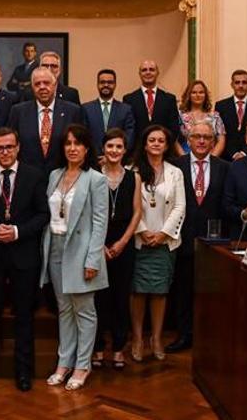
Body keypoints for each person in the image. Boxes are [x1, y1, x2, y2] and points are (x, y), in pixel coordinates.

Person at [0, 127, 49, 392]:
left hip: (23, 255)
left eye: (9, 147)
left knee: (24, 316)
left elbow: (42, 215)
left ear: (17, 148)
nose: (4, 152)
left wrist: (16, 231)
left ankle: (23, 372)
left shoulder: (34, 176)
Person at [41, 124, 109, 391]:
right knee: (64, 309)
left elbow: (100, 221)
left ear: (87, 148)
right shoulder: (55, 175)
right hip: (55, 248)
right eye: (68, 143)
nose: (72, 148)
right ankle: (64, 363)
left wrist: (93, 259)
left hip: (81, 252)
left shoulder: (96, 178)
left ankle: (82, 366)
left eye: (77, 143)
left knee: (85, 312)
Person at [166, 121, 229, 353]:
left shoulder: (225, 167)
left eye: (206, 137)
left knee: (212, 292)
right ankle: (184, 335)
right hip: (182, 238)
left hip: (214, 242)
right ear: (188, 140)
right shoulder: (174, 166)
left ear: (213, 141)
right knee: (183, 290)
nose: (201, 141)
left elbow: (227, 204)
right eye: (196, 137)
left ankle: (209, 336)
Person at [129, 125, 185, 362]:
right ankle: (138, 338)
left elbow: (180, 206)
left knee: (160, 292)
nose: (156, 144)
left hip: (165, 241)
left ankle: (157, 338)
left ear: (166, 145)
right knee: (138, 291)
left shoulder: (175, 172)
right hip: (139, 239)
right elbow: (129, 207)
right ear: (144, 143)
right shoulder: (132, 170)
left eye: (161, 140)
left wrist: (162, 233)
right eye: (151, 139)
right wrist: (141, 231)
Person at [92, 129, 141, 370]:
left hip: (124, 243)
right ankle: (99, 347)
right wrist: (99, 245)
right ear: (103, 148)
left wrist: (122, 242)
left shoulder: (134, 177)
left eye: (118, 147)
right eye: (109, 146)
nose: (114, 151)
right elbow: (89, 213)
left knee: (121, 297)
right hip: (97, 243)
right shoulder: (92, 176)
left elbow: (137, 213)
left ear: (124, 150)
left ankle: (119, 348)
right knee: (99, 298)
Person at [8, 67, 84, 172]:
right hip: (29, 178)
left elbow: (81, 145)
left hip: (63, 177)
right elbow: (11, 145)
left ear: (55, 85)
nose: (42, 87)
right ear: (32, 87)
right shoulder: (18, 112)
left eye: (46, 83)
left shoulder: (73, 111)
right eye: (37, 84)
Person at [122, 60, 181, 150]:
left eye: (152, 70)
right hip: (137, 153)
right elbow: (128, 129)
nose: (148, 72)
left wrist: (164, 146)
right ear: (139, 74)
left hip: (163, 152)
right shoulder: (129, 99)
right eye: (144, 70)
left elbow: (174, 128)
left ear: (157, 73)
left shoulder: (169, 99)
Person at [81, 69, 136, 158]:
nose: (106, 85)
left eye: (110, 82)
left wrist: (114, 154)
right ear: (97, 84)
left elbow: (129, 137)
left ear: (115, 85)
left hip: (118, 159)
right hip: (93, 160)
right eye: (102, 82)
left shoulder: (126, 109)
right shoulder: (86, 109)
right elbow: (83, 136)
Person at [214, 69, 247, 160]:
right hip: (226, 158)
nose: (241, 86)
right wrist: (234, 154)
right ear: (232, 85)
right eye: (237, 82)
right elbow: (220, 134)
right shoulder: (221, 106)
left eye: (244, 82)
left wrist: (244, 153)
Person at [178, 79, 226, 157]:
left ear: (205, 95)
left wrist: (212, 159)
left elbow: (221, 141)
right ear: (188, 95)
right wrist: (184, 159)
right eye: (194, 92)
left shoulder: (215, 116)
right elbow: (175, 141)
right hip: (186, 158)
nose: (198, 95)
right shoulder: (180, 116)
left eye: (201, 92)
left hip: (210, 159)